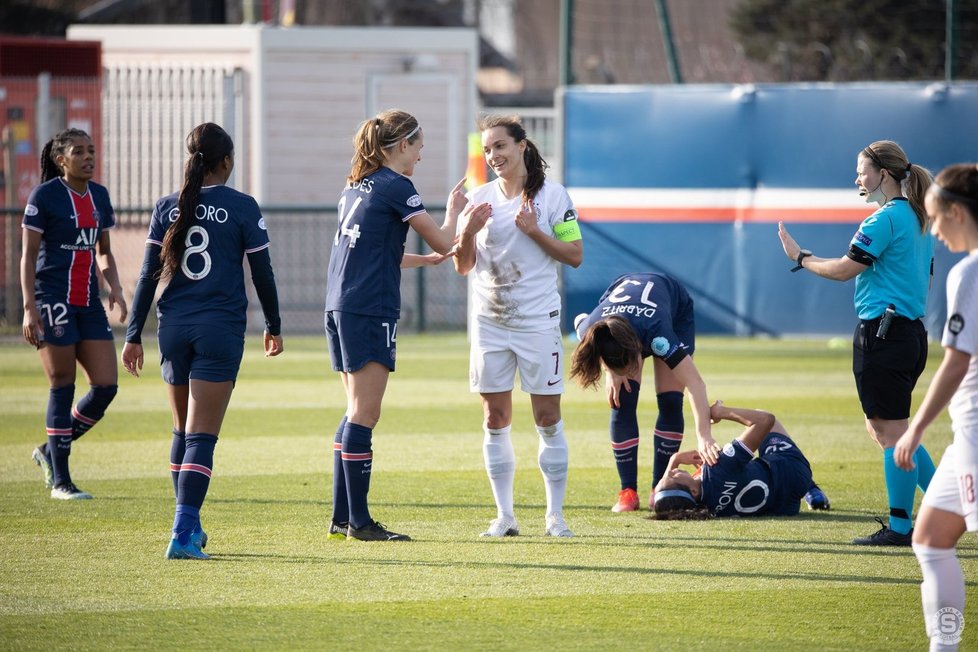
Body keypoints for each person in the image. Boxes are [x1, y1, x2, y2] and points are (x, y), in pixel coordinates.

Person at [121, 122, 283, 560]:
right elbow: (262, 273)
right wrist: (274, 323)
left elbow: (146, 276)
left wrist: (133, 333)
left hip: (172, 327)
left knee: (182, 429)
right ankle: (183, 530)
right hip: (219, 329)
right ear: (226, 161)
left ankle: (188, 524)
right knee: (202, 437)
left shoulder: (166, 206)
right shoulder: (242, 206)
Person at [778, 139, 936, 546]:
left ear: (884, 174)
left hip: (885, 333)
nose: (857, 178)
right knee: (886, 429)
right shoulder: (918, 217)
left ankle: (903, 527)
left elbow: (846, 270)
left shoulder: (884, 219)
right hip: (908, 333)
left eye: (862, 170)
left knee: (892, 433)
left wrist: (802, 259)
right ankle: (949, 505)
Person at [325, 109, 471, 542]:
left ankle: (341, 516)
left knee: (354, 410)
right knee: (366, 414)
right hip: (368, 308)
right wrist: (461, 216)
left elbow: (370, 251)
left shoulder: (355, 187)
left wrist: (421, 260)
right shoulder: (396, 185)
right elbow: (446, 239)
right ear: (402, 145)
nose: (420, 157)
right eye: (419, 147)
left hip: (341, 306)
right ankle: (360, 523)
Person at [453, 114, 583, 538]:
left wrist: (534, 232)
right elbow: (463, 265)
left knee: (547, 417)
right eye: (488, 149)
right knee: (494, 417)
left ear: (522, 146)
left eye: (500, 146)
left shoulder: (553, 196)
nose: (493, 156)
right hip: (490, 322)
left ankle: (555, 517)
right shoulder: (479, 199)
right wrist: (467, 232)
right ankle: (505, 517)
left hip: (537, 323)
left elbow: (575, 254)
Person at [893, 163, 978, 652]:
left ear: (957, 211)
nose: (935, 231)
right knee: (929, 540)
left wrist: (915, 428)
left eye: (936, 219)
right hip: (965, 441)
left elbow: (955, 365)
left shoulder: (968, 273)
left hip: (974, 436)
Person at [21, 128, 127, 500]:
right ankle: (61, 481)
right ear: (60, 159)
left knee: (106, 386)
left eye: (91, 150)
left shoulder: (99, 196)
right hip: (52, 300)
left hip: (88, 302)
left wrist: (114, 285)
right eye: (79, 152)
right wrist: (29, 308)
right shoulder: (44, 197)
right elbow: (29, 256)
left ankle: (50, 450)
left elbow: (103, 251)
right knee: (62, 384)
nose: (88, 157)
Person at [570, 272, 723, 513]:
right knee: (621, 399)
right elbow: (578, 319)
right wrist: (610, 371)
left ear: (638, 350)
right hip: (623, 310)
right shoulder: (592, 328)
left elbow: (695, 383)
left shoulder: (658, 335)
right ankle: (627, 491)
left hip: (674, 311)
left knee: (671, 400)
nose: (634, 370)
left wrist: (704, 435)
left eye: (633, 364)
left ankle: (657, 486)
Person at [652, 400, 830, 519]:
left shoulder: (704, 508)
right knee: (764, 420)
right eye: (672, 477)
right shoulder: (718, 468)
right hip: (793, 470)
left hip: (784, 506)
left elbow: (663, 501)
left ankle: (810, 492)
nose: (671, 472)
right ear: (693, 491)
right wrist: (721, 412)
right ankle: (811, 488)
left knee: (750, 467)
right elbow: (765, 421)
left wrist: (674, 459)